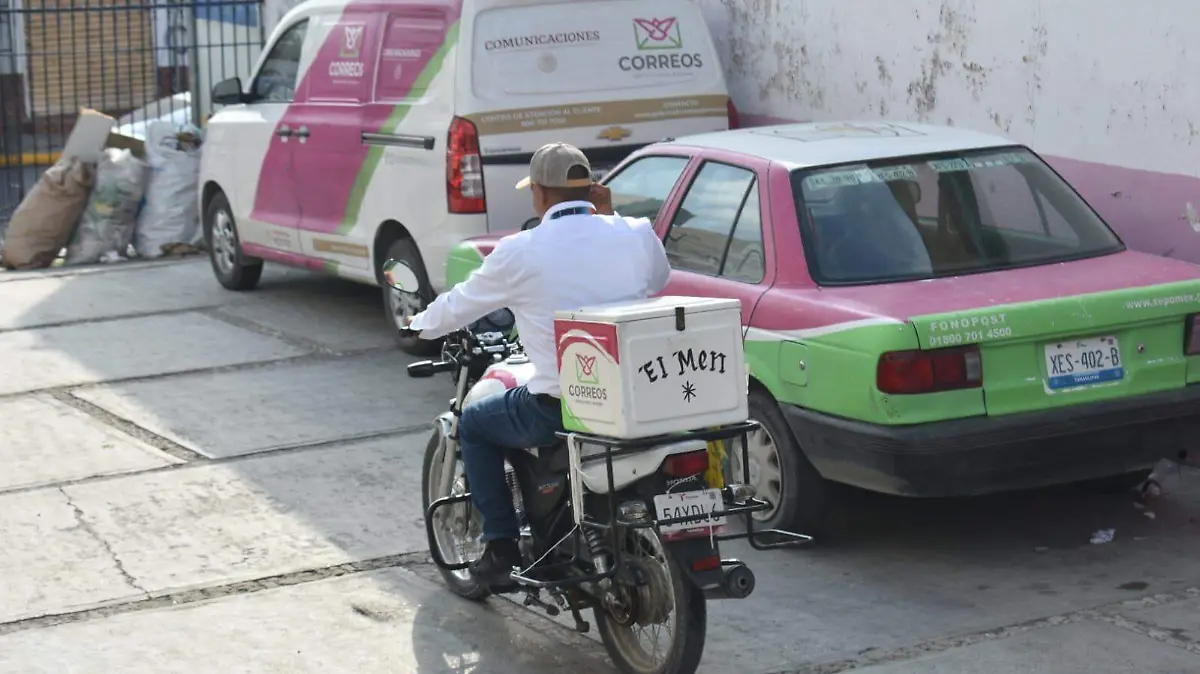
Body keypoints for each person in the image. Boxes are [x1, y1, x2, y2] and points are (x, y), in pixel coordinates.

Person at [406, 142, 671, 585]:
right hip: (643, 396)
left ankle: (501, 547)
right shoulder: (635, 232)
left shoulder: (521, 251)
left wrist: (418, 325)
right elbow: (658, 279)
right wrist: (611, 217)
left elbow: (458, 305)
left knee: (473, 423)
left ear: (541, 196)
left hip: (564, 405)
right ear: (592, 190)